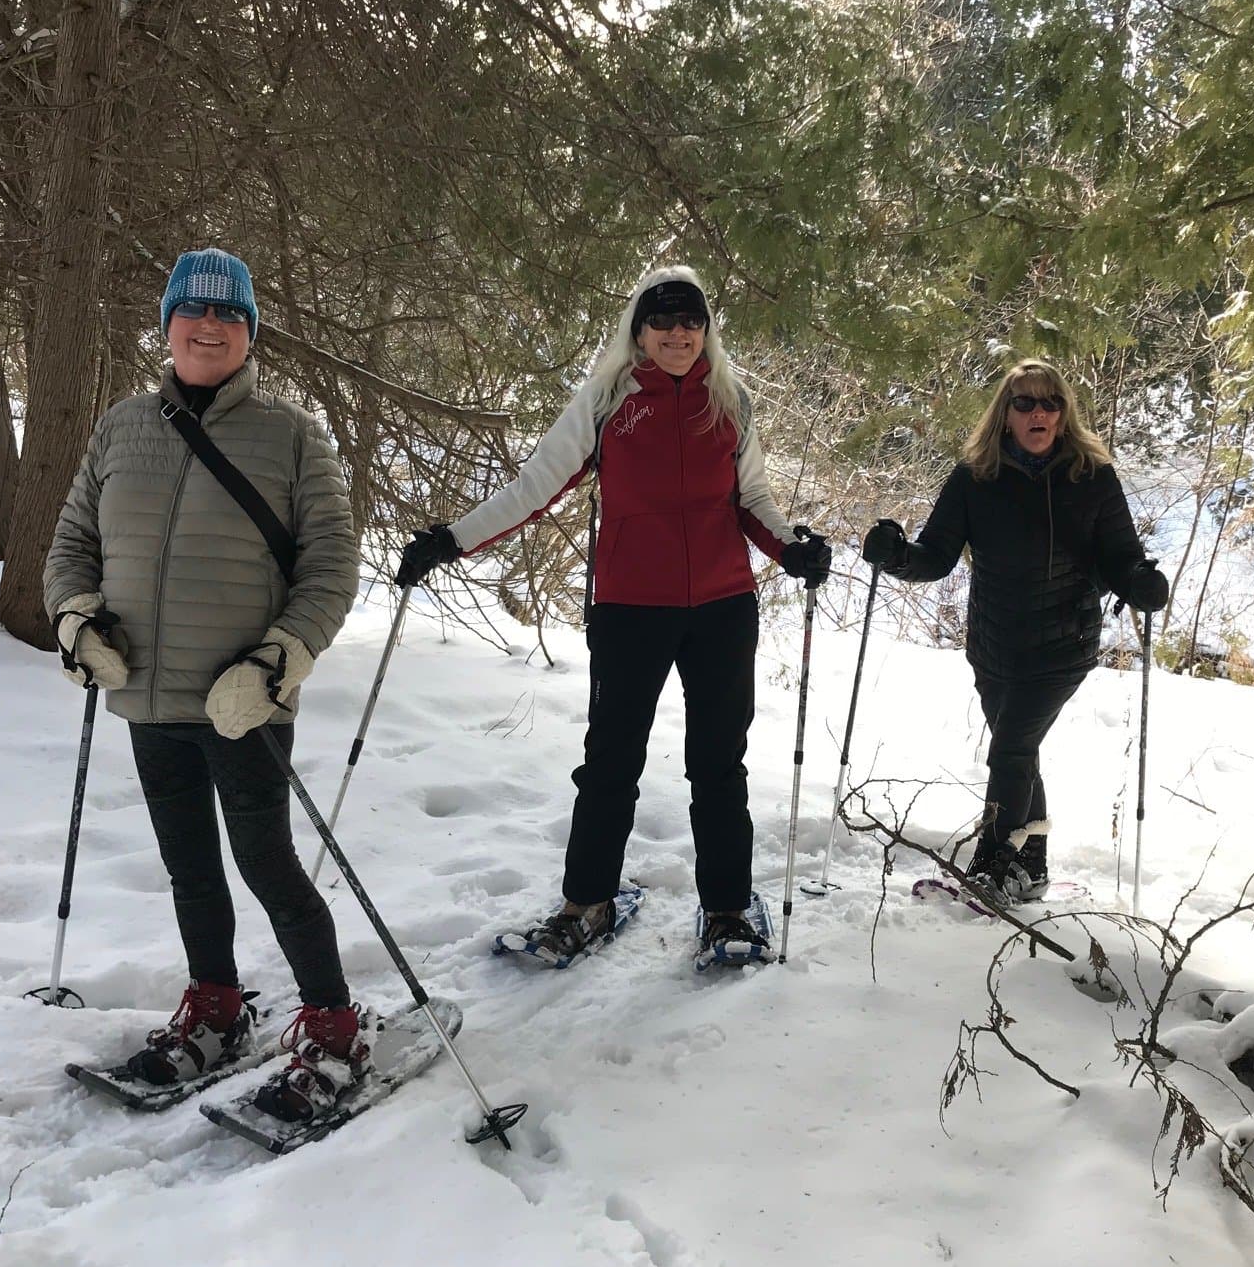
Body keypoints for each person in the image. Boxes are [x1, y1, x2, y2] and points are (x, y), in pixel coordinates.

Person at [394, 266, 829, 964]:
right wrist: (451, 540)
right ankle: (585, 901)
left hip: (722, 607)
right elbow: (534, 487)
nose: (678, 333)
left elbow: (752, 502)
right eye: (663, 320)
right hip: (631, 608)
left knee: (719, 765)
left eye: (691, 319)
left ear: (706, 328)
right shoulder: (606, 400)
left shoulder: (730, 401)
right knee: (610, 764)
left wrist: (793, 549)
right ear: (639, 328)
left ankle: (727, 910)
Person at [44, 247, 366, 1122]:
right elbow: (71, 543)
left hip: (241, 703)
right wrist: (76, 620)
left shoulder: (292, 435)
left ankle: (333, 1022)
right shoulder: (120, 427)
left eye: (229, 316)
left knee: (265, 862)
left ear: (250, 332)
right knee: (189, 866)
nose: (210, 328)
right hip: (149, 695)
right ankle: (216, 1005)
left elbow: (334, 566)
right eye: (195, 313)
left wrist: (279, 662)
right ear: (169, 324)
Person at [860, 357, 1166, 903]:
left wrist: (1141, 581)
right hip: (994, 644)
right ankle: (1034, 863)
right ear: (1006, 414)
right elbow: (935, 556)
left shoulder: (1092, 478)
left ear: (1064, 414)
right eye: (1024, 402)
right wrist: (897, 556)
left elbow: (1122, 556)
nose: (1038, 411)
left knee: (1009, 751)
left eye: (1050, 402)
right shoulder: (975, 478)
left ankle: (992, 867)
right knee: (1020, 753)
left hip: (1062, 644)